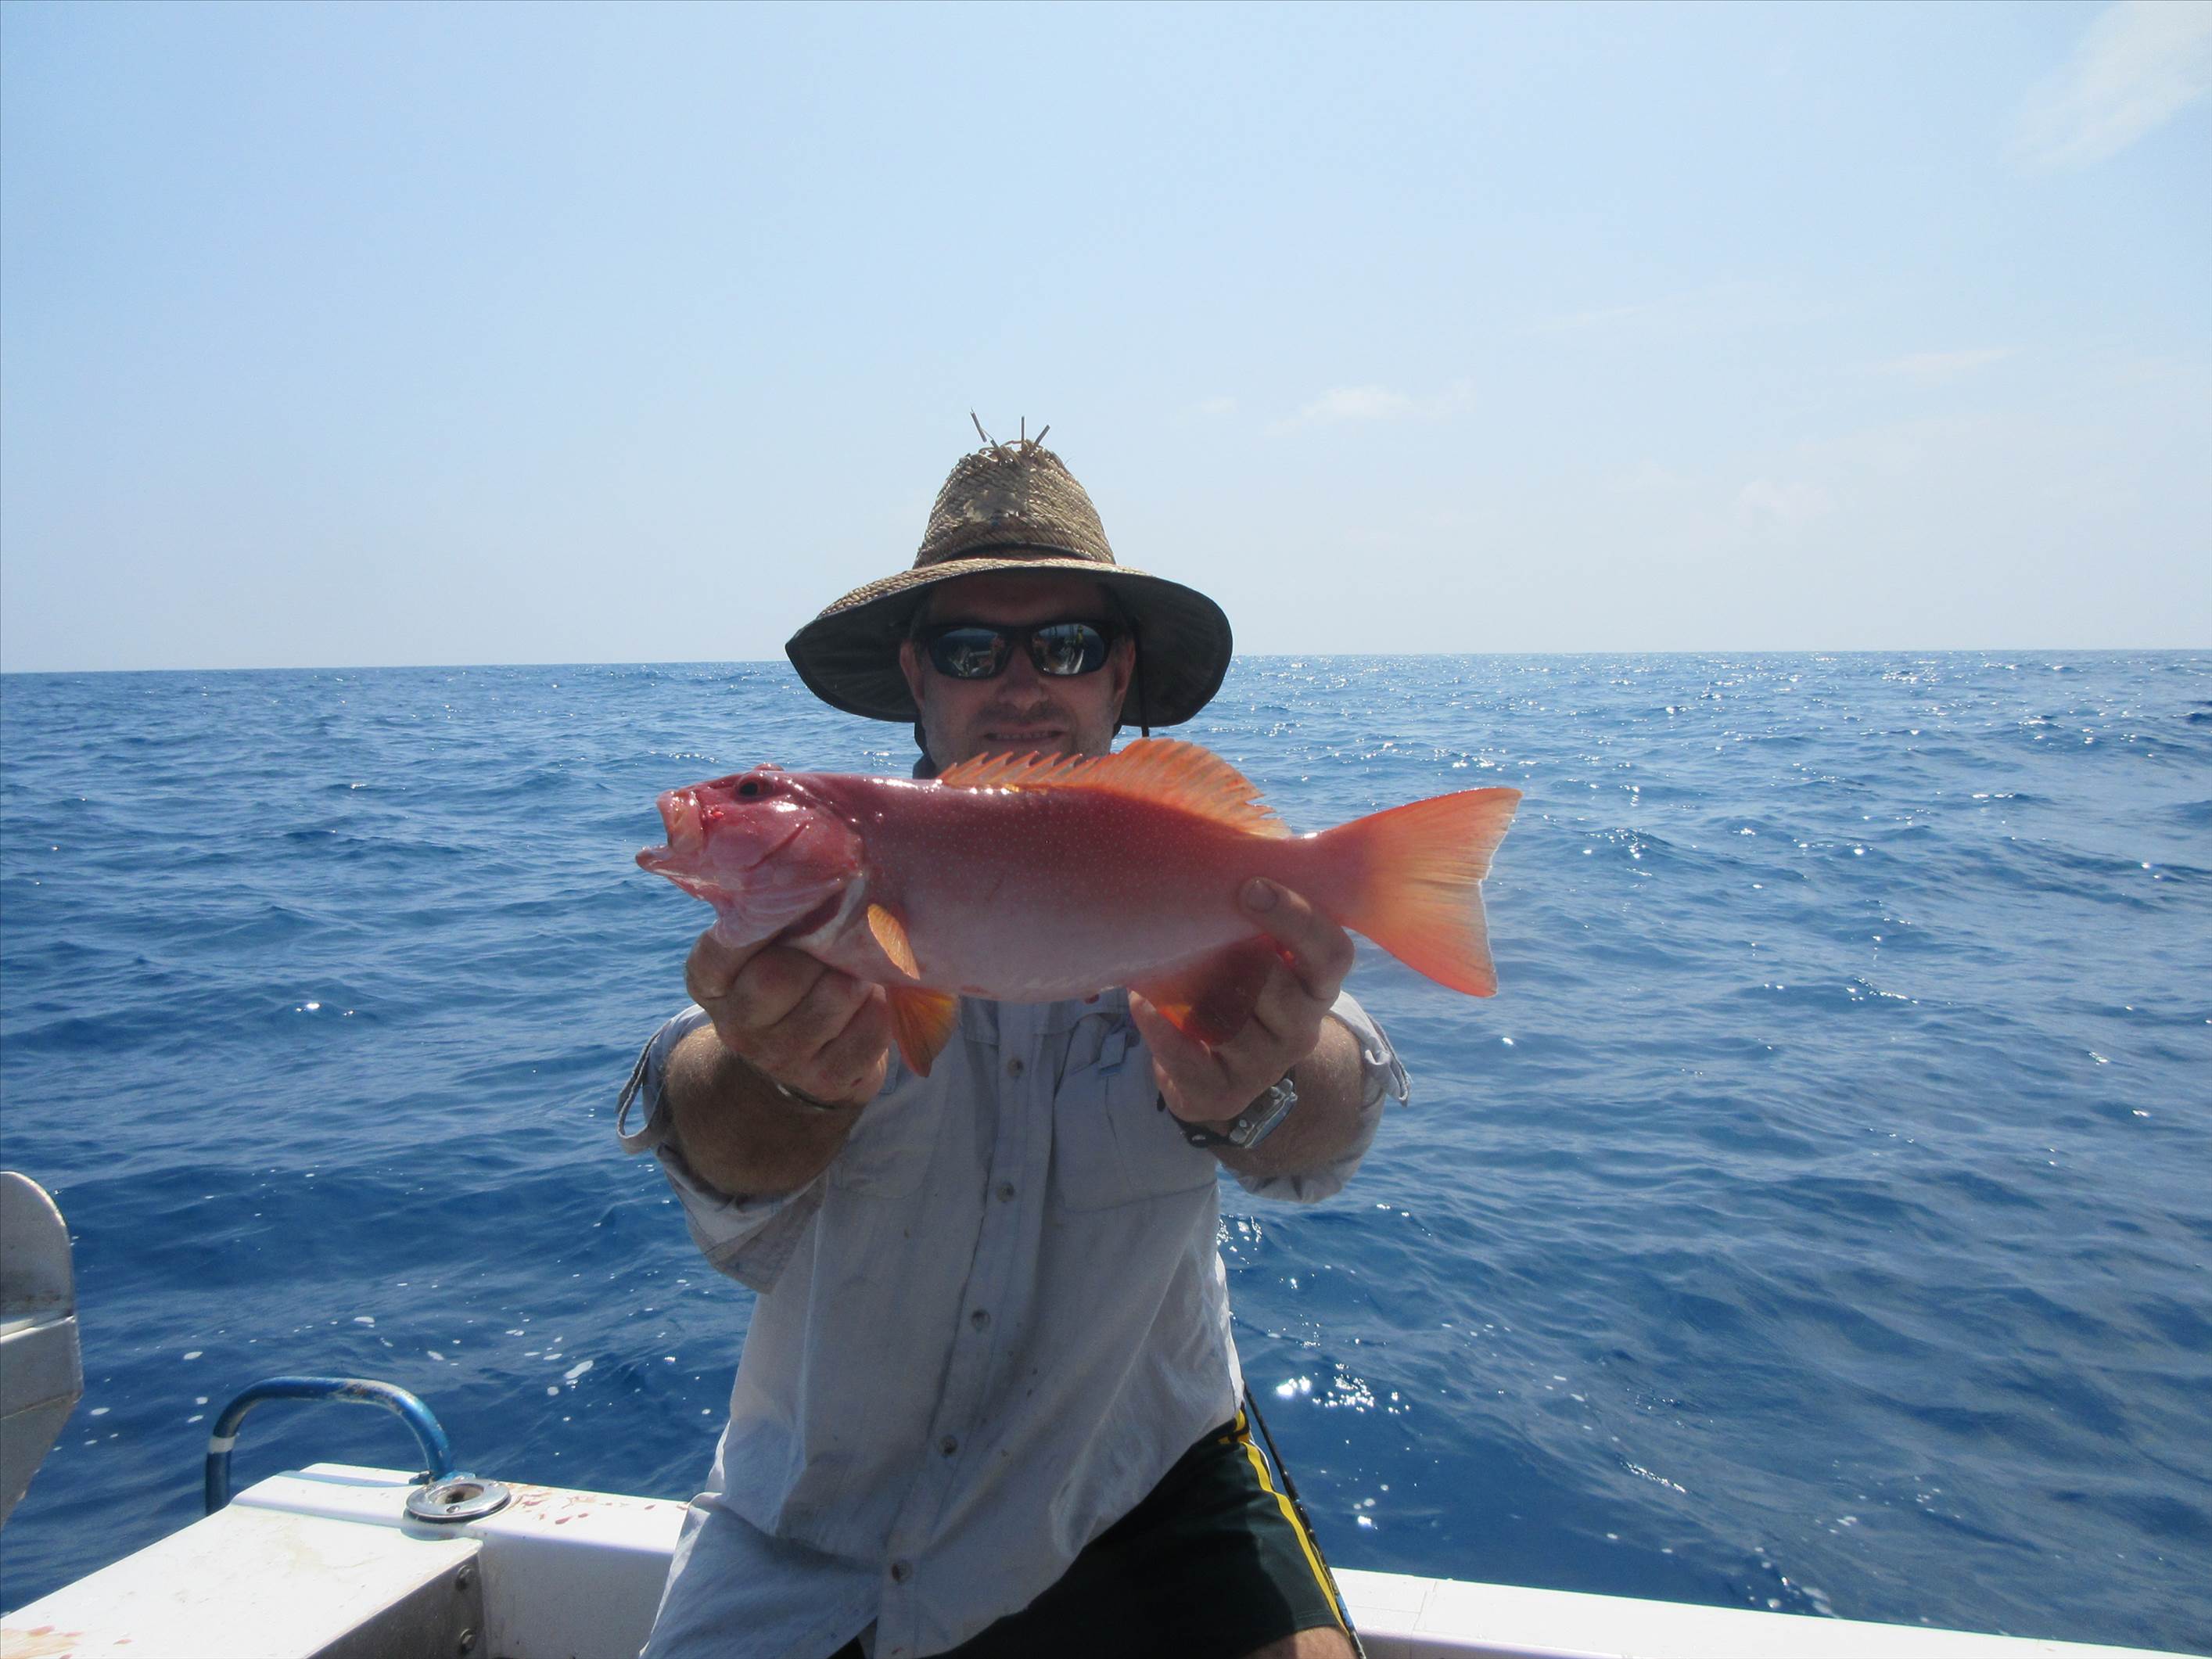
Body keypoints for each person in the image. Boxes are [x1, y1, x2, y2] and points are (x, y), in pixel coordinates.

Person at [618, 433, 1409, 1659]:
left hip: (1152, 1480)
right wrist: (783, 1075)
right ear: (917, 680)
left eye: (1069, 645)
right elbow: (711, 1126)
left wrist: (1259, 1082)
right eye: (972, 649)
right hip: (817, 1530)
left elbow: (1340, 1097)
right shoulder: (811, 911)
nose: (1024, 680)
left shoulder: (1199, 877)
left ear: (1121, 675)